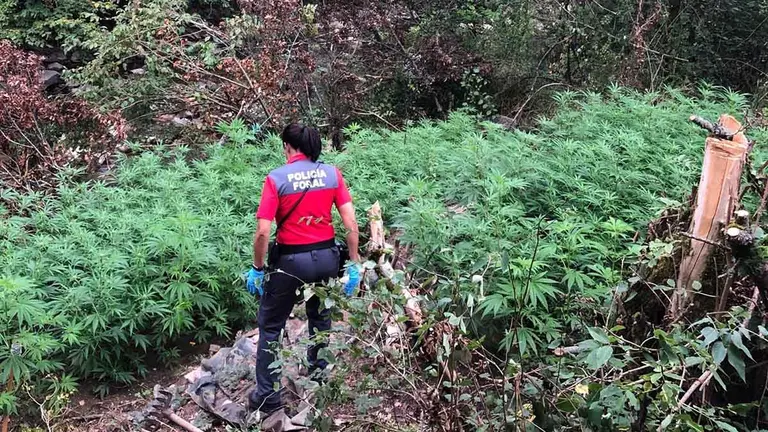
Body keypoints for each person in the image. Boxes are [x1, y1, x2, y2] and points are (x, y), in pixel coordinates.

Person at [244, 123, 361, 417]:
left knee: (271, 325)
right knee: (320, 318)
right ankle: (319, 380)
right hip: (327, 258)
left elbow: (262, 232)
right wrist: (354, 263)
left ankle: (268, 397)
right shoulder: (332, 174)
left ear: (287, 146)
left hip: (290, 262)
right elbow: (350, 223)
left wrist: (257, 268)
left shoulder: (276, 179)